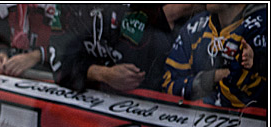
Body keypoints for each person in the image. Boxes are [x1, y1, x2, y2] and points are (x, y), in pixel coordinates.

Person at [53, 4, 202, 94]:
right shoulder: (75, 9)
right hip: (103, 104)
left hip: (161, 105)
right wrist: (103, 74)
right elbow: (61, 63)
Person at [162, 3, 267, 109]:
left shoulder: (262, 28)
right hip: (187, 121)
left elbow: (242, 101)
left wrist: (194, 88)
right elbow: (168, 85)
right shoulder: (195, 26)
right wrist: (211, 78)